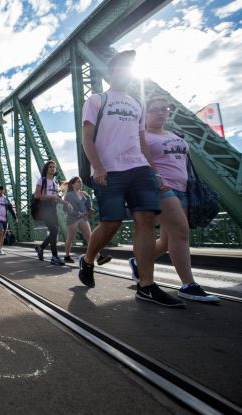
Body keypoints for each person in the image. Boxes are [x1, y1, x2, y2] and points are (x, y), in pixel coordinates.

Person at [79, 50, 184, 307]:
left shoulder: (138, 105)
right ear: (112, 72)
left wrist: (153, 170)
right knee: (111, 223)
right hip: (109, 171)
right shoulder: (97, 100)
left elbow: (141, 141)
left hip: (139, 169)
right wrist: (98, 167)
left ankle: (146, 285)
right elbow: (87, 138)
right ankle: (88, 259)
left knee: (146, 220)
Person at [131, 96, 218, 303]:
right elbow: (136, 160)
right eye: (155, 110)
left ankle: (140, 262)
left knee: (169, 239)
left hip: (184, 188)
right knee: (181, 232)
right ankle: (188, 285)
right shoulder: (141, 136)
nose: (161, 113)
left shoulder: (174, 134)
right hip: (161, 188)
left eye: (165, 109)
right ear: (145, 114)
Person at [62, 177, 113, 265]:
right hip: (72, 218)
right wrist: (77, 213)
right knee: (70, 238)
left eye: (81, 182)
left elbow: (89, 207)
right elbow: (65, 209)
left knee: (90, 237)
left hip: (83, 218)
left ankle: (99, 257)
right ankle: (67, 256)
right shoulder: (68, 195)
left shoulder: (84, 195)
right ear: (73, 184)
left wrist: (88, 198)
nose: (80, 184)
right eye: (78, 182)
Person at [33, 160, 72, 265]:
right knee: (54, 230)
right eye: (50, 167)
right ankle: (54, 257)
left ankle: (41, 248)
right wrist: (51, 196)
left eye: (54, 167)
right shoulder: (42, 181)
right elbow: (37, 196)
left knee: (55, 231)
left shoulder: (55, 183)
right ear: (46, 168)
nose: (52, 168)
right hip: (44, 208)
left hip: (52, 208)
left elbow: (56, 198)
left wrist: (65, 202)